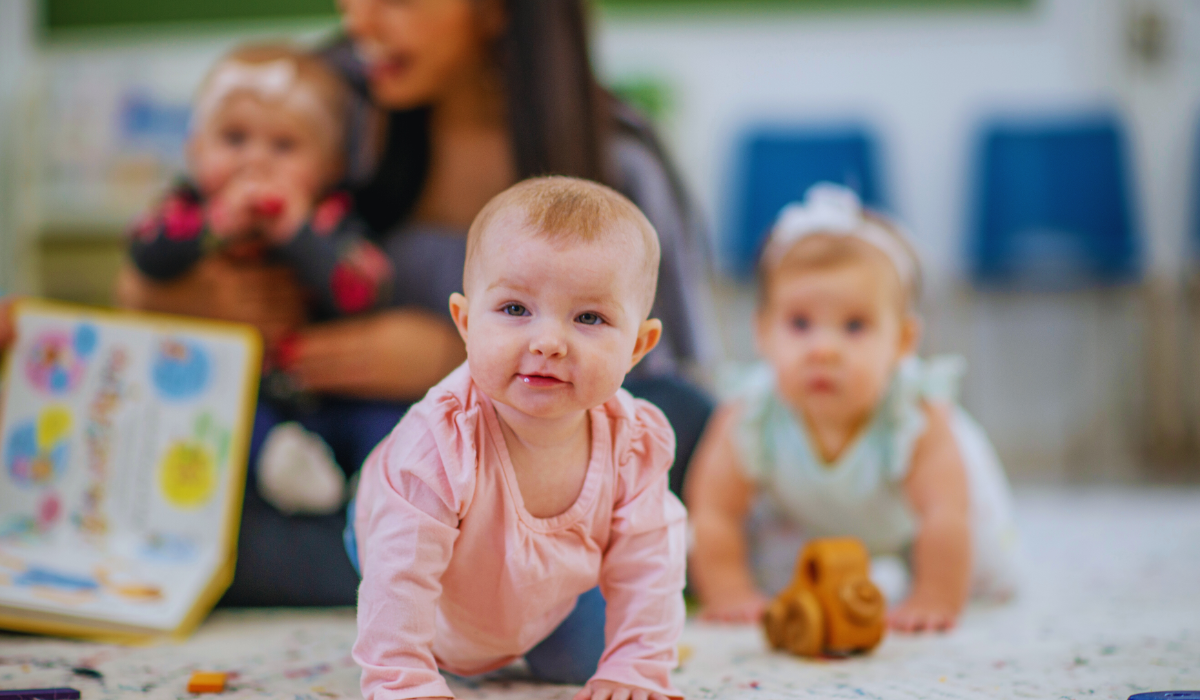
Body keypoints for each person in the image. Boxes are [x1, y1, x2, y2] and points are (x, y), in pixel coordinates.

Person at [114, 0, 714, 606]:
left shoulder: (612, 159)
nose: (358, 22)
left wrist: (459, 358)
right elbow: (159, 254)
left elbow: (669, 391)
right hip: (313, 444)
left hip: (505, 462)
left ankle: (445, 563)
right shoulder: (320, 101)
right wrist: (177, 292)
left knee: (680, 422)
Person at [350, 177, 685, 700]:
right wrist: (403, 681)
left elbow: (650, 563)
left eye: (589, 317)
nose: (548, 342)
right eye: (514, 310)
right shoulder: (440, 441)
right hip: (407, 548)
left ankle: (524, 630)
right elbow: (400, 577)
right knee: (418, 622)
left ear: (638, 346)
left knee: (582, 662)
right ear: (465, 322)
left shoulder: (633, 440)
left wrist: (637, 668)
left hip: (542, 584)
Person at [686, 184, 1019, 633]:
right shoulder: (749, 412)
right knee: (789, 572)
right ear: (763, 333)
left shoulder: (914, 415)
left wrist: (933, 598)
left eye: (855, 326)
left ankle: (942, 575)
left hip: (913, 512)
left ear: (901, 342)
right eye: (800, 323)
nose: (824, 349)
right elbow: (715, 511)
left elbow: (945, 514)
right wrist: (730, 591)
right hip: (809, 515)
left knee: (983, 565)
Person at [129, 43, 396, 515]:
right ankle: (278, 462)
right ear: (195, 149)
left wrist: (298, 232)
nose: (256, 161)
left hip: (325, 392)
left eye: (284, 145)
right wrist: (215, 225)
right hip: (231, 392)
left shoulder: (329, 221)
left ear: (331, 166)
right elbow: (146, 252)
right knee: (212, 417)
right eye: (234, 139)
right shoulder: (188, 209)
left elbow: (359, 292)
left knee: (385, 419)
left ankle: (384, 481)